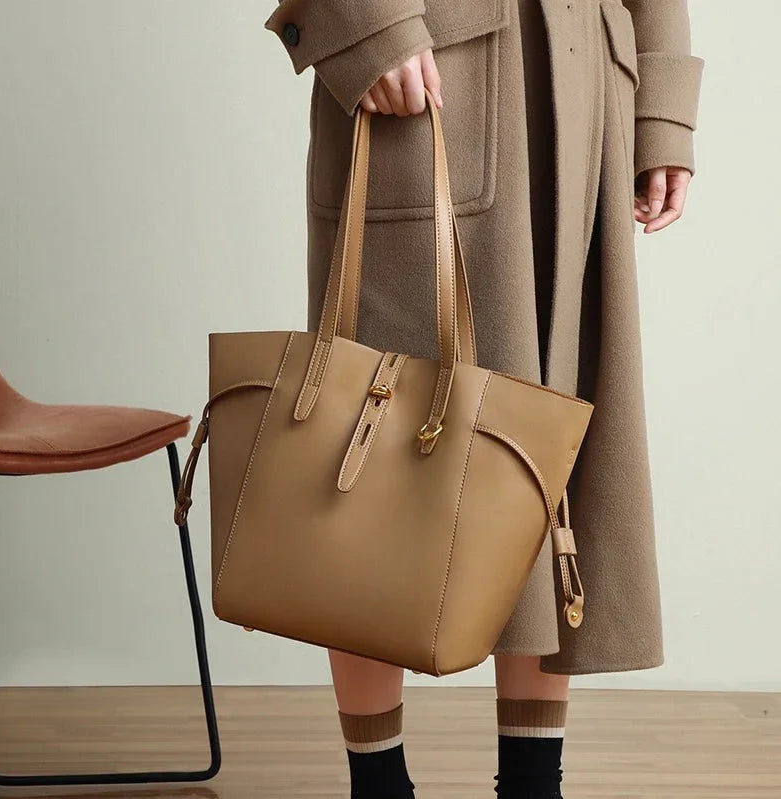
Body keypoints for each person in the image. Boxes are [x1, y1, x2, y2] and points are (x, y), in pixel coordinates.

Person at [264, 1, 703, 796]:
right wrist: (363, 20)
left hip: (581, 88)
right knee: (372, 435)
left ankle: (534, 784)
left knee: (547, 432)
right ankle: (378, 784)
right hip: (429, 71)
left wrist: (661, 107)